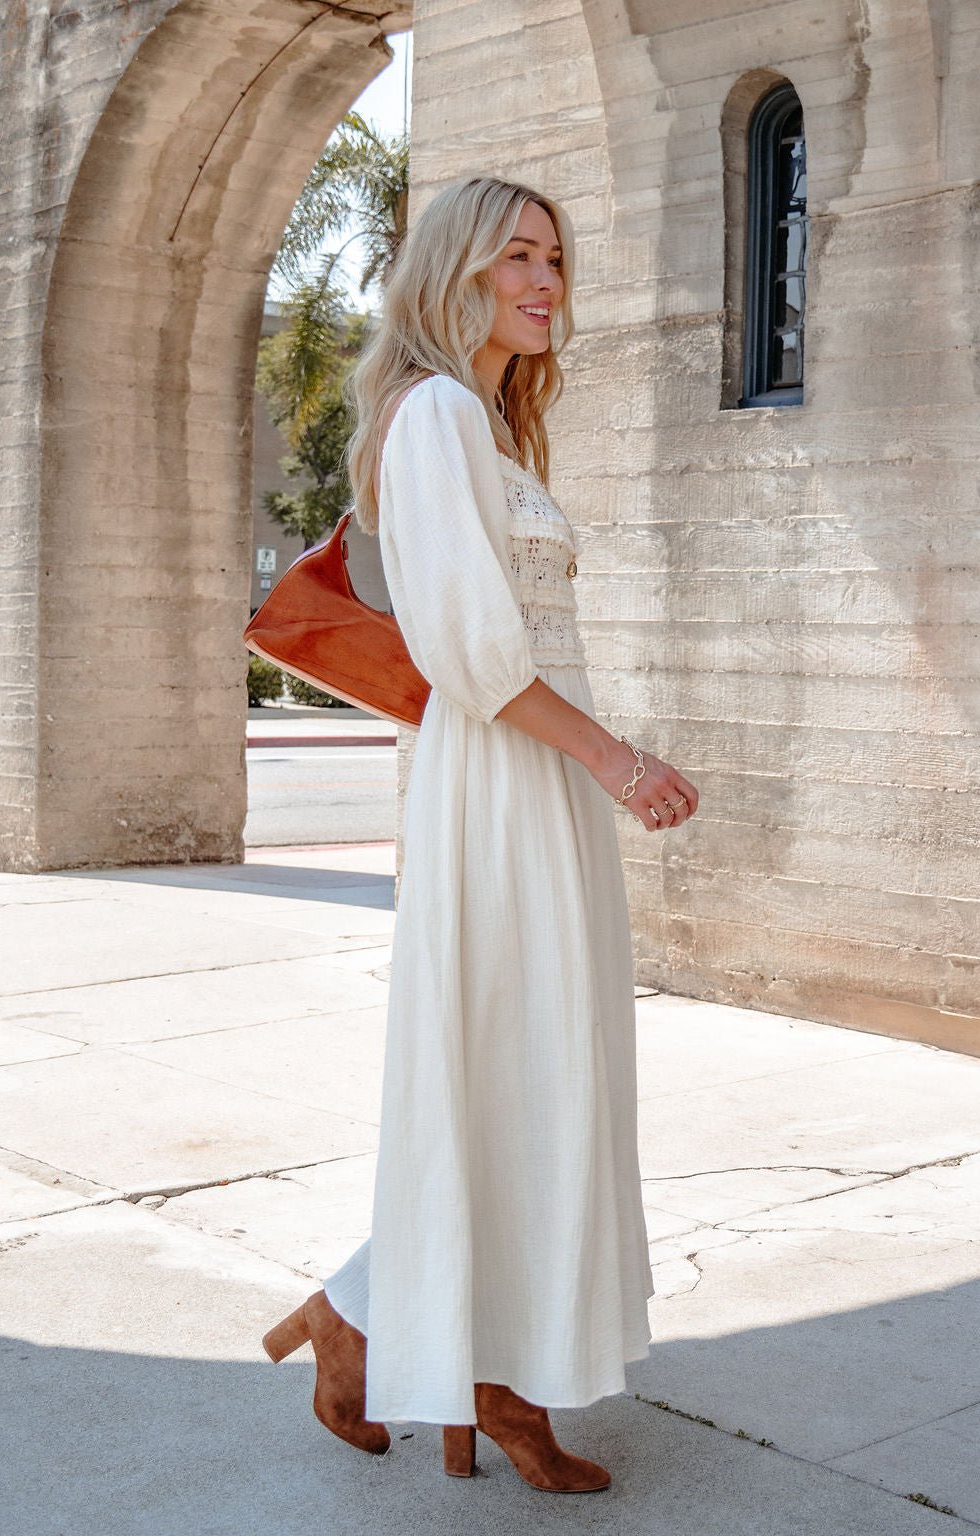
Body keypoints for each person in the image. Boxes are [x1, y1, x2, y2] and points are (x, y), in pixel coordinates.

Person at [261, 174, 699, 1495]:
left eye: (556, 258)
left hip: (534, 785)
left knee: (533, 1078)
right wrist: (619, 763)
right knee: (518, 1071)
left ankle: (394, 1328)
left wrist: (592, 773)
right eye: (518, 255)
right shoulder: (440, 415)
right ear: (457, 272)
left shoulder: (483, 428)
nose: (546, 281)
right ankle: (472, 1373)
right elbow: (476, 656)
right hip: (510, 780)